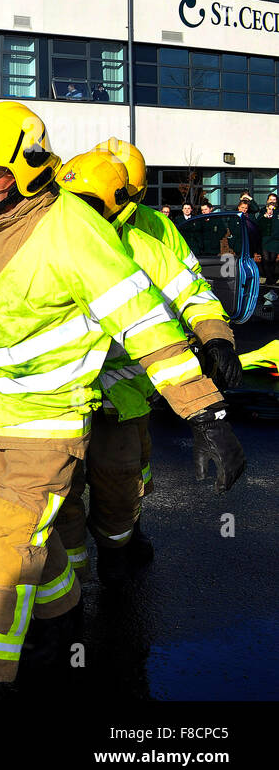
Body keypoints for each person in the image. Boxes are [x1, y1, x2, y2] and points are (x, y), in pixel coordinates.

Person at [0, 101, 245, 700]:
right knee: (33, 542)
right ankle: (60, 620)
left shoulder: (75, 229)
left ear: (31, 166)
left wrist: (206, 411)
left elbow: (144, 320)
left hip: (51, 421)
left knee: (11, 546)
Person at [57, 150, 240, 584]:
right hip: (53, 402)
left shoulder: (145, 241)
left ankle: (119, 554)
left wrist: (215, 337)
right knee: (58, 500)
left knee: (122, 480)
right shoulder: (43, 243)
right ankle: (67, 601)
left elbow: (190, 288)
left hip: (122, 394)